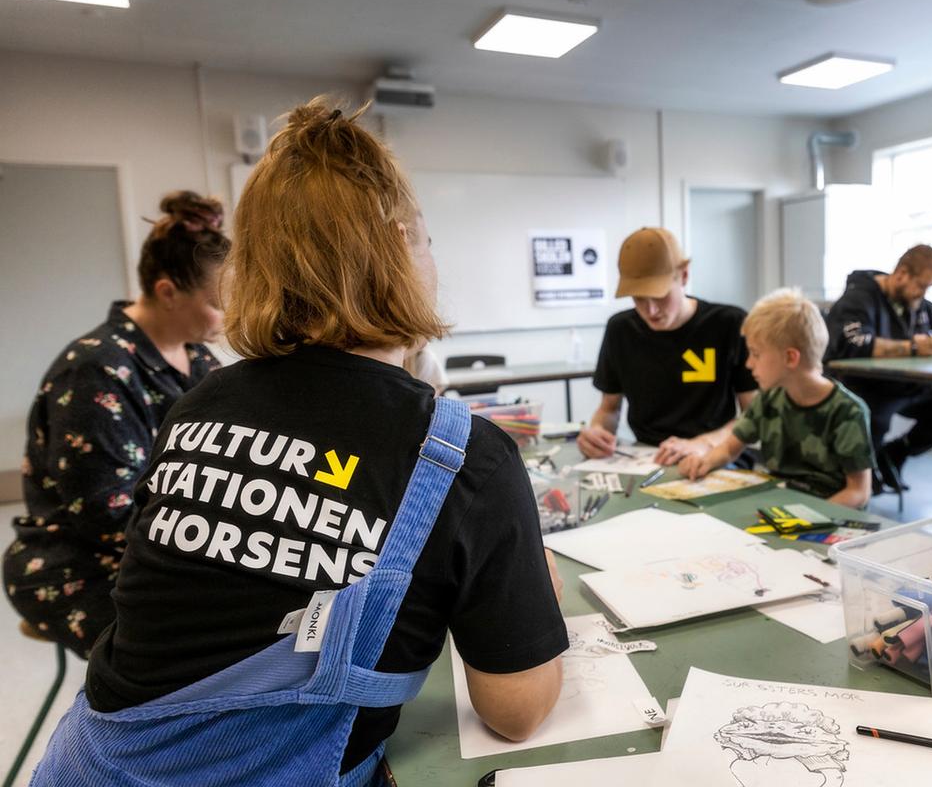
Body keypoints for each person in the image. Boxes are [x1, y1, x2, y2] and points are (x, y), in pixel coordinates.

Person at [33, 99, 565, 785]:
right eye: (426, 239)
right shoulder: (466, 455)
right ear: (403, 246)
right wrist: (533, 599)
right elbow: (516, 713)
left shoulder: (198, 404)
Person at [3, 191, 227, 659]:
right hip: (79, 562)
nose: (228, 316)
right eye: (217, 302)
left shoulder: (199, 360)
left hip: (170, 547)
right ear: (167, 292)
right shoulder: (95, 370)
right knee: (196, 651)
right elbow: (105, 515)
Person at [578, 227, 757, 465]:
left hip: (716, 454)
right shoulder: (620, 329)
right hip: (645, 458)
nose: (650, 311)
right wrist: (597, 433)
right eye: (639, 298)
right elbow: (609, 409)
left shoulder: (728, 324)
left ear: (683, 276)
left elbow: (754, 416)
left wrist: (703, 443)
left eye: (660, 295)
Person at [679, 288, 873, 508]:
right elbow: (729, 449)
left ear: (790, 357)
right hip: (779, 508)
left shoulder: (848, 412)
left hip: (828, 516)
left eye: (756, 354)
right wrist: (703, 462)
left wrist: (808, 518)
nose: (749, 364)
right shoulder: (768, 399)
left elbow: (858, 492)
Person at [823, 244, 932, 491]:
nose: (922, 294)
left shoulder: (918, 305)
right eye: (921, 285)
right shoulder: (858, 299)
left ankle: (895, 453)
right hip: (869, 388)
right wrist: (912, 347)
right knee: (872, 418)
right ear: (902, 273)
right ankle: (863, 481)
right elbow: (853, 343)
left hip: (910, 386)